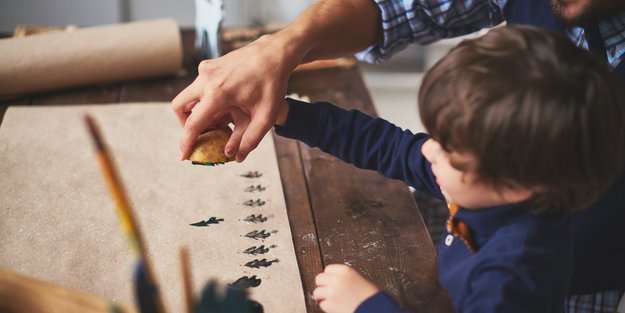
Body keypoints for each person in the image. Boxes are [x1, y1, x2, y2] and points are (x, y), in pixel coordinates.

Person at [171, 0, 625, 310]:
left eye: (448, 148)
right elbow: (383, 144)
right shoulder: (493, 183)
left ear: (516, 181)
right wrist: (285, 114)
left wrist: (368, 305)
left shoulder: (511, 279)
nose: (428, 149)